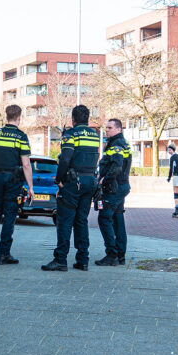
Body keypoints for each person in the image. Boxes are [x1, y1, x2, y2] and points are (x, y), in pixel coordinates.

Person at [41, 105, 100, 272]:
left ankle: (60, 259)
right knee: (81, 221)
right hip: (89, 181)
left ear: (73, 119)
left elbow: (65, 159)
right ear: (87, 118)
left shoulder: (71, 134)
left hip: (73, 182)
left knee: (65, 221)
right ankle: (83, 260)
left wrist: (59, 179)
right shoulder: (94, 135)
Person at [0, 104, 34, 264]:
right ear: (19, 117)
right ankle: (4, 254)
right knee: (10, 216)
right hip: (13, 180)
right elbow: (26, 164)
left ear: (7, 116)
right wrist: (31, 187)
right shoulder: (21, 137)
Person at [95, 118, 132, 267]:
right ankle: (120, 255)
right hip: (121, 186)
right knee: (118, 219)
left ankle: (112, 254)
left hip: (114, 187)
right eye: (107, 127)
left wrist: (104, 180)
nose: (107, 130)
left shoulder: (116, 144)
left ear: (118, 129)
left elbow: (117, 165)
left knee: (104, 218)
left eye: (110, 128)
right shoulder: (122, 143)